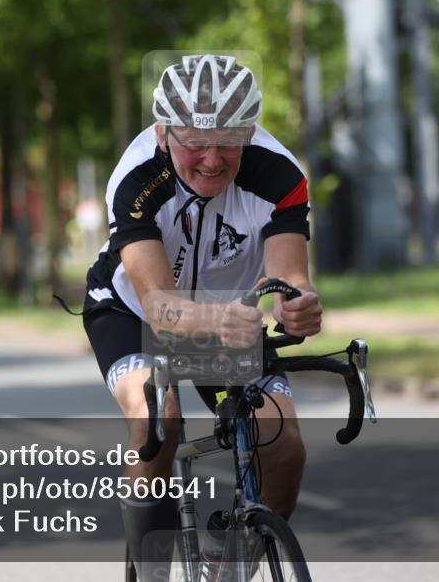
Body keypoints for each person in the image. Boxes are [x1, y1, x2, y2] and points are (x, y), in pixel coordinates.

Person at [82, 54, 322, 581]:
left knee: (283, 447)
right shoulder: (138, 176)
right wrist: (218, 322)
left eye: (229, 142)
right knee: (158, 422)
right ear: (164, 133)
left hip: (225, 316)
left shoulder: (278, 173)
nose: (213, 159)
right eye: (195, 142)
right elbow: (159, 307)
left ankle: (233, 568)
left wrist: (298, 305)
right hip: (132, 311)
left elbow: (290, 277)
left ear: (250, 132)